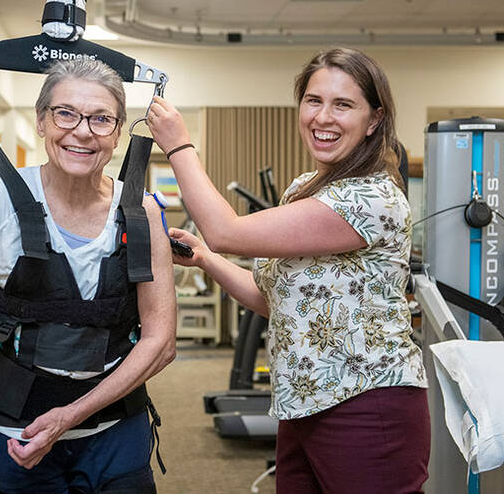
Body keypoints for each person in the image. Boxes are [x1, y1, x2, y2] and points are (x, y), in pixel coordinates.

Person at [146, 47, 430, 493]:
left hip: (367, 403)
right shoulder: (304, 188)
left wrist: (179, 145)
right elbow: (271, 301)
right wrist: (205, 258)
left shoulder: (372, 199)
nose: (323, 117)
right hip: (301, 403)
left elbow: (226, 230)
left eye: (343, 104)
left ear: (374, 120)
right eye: (314, 100)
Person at [0, 58, 176, 494]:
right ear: (41, 121)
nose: (82, 131)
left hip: (115, 428)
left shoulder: (141, 211)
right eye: (65, 113)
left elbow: (160, 342)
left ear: (120, 129)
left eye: (101, 119)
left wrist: (71, 415)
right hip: (17, 427)